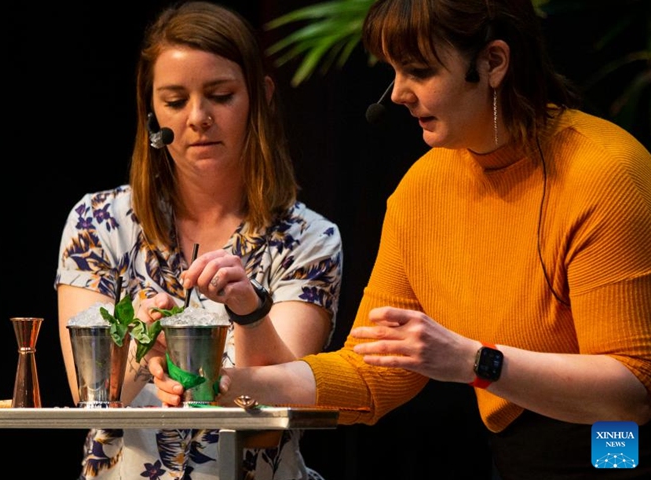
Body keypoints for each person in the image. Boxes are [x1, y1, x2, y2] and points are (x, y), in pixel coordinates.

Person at [151, 0, 651, 478]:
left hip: (621, 453)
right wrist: (233, 385)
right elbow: (371, 374)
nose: (397, 93)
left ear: (493, 62)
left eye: (420, 71)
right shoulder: (422, 189)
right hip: (520, 459)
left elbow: (631, 392)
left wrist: (474, 361)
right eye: (395, 71)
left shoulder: (603, 172)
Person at [54, 2, 343, 479]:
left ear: (261, 97)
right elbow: (94, 400)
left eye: (221, 95)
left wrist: (249, 312)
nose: (198, 117)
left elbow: (275, 396)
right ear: (151, 112)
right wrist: (142, 347)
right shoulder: (96, 222)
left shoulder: (309, 238)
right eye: (174, 100)